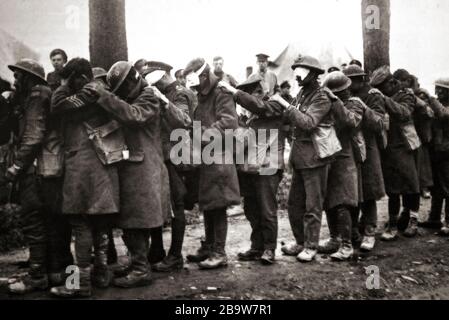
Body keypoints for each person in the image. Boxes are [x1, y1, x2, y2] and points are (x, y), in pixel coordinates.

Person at [92, 61, 171, 287]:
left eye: (122, 88)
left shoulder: (148, 96)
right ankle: (138, 263)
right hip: (134, 167)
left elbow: (134, 116)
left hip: (144, 169)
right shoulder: (137, 96)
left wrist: (104, 96)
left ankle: (140, 269)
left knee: (137, 220)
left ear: (130, 81)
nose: (122, 94)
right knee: (130, 221)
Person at [49, 58, 119, 298]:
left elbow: (56, 105)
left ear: (80, 78)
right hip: (104, 166)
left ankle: (80, 282)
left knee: (80, 223)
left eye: (69, 79)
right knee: (99, 223)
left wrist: (64, 84)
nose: (66, 84)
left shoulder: (85, 93)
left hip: (82, 166)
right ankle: (100, 274)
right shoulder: (101, 92)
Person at [219, 76, 286, 265]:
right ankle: (257, 246)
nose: (253, 96)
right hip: (248, 168)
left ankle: (269, 249)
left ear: (261, 91)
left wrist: (235, 92)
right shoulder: (245, 115)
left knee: (267, 210)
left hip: (268, 166)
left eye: (255, 91)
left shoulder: (274, 105)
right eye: (248, 92)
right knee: (251, 208)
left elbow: (259, 107)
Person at [184, 58, 240, 269]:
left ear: (204, 76)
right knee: (208, 204)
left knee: (218, 206)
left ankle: (219, 252)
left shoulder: (221, 92)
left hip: (219, 157)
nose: (196, 87)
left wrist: (200, 136)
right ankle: (208, 246)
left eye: (197, 82)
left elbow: (229, 122)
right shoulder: (202, 95)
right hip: (207, 158)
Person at [278, 55, 336, 262]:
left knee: (313, 205)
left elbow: (309, 122)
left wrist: (286, 107)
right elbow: (290, 117)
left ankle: (311, 246)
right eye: (296, 73)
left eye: (301, 72)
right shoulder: (302, 93)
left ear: (313, 74)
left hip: (315, 159)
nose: (297, 77)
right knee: (295, 204)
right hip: (300, 159)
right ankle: (301, 241)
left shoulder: (321, 97)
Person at [2, 59, 50, 294]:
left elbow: (33, 135)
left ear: (30, 77)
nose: (15, 80)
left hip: (35, 168)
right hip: (40, 167)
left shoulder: (37, 96)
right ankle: (48, 270)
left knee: (34, 219)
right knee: (44, 220)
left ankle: (38, 276)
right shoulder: (32, 96)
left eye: (19, 76)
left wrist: (17, 165)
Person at [143, 61, 193, 272]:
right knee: (163, 203)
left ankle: (175, 255)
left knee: (176, 205)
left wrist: (163, 101)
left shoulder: (178, 94)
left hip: (176, 158)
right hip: (163, 156)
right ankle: (158, 251)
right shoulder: (166, 92)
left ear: (162, 77)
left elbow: (183, 121)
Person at [370, 66, 421, 240]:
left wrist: (383, 99)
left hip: (405, 146)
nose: (381, 91)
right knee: (392, 189)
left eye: (383, 87)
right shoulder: (384, 95)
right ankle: (392, 224)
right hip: (388, 147)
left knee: (411, 185)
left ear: (391, 83)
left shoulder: (406, 94)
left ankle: (413, 220)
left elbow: (404, 113)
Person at [320, 71, 365, 261]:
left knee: (343, 202)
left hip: (346, 158)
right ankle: (335, 239)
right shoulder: (329, 105)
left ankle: (347, 245)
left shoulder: (354, 104)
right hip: (329, 157)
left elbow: (351, 121)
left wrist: (335, 102)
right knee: (330, 201)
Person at [344, 65, 388, 251]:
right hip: (351, 148)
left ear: (360, 79)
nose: (348, 84)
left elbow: (379, 123)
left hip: (369, 148)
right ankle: (354, 230)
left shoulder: (373, 95)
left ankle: (369, 231)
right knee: (353, 191)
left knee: (368, 191)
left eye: (351, 80)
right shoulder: (344, 96)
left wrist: (362, 107)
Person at [393, 69, 434, 200]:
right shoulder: (397, 94)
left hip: (418, 133)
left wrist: (416, 98)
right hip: (406, 133)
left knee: (422, 164)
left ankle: (424, 187)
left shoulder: (416, 95)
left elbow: (428, 112)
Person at [419, 78, 449, 235]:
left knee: (447, 187)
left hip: (446, 152)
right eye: (437, 89)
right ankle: (434, 218)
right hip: (437, 151)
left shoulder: (442, 107)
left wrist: (430, 97)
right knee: (437, 187)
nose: (438, 92)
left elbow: (444, 115)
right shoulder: (437, 104)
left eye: (442, 89)